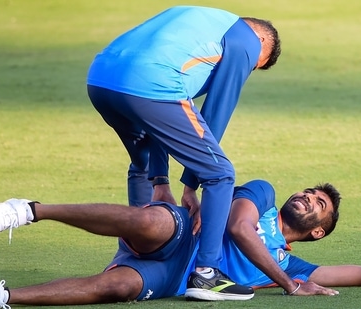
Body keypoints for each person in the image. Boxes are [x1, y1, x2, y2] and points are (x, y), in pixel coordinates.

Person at [0, 180, 361, 308]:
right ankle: (31, 210)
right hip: (179, 233)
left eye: (318, 204)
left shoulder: (291, 259)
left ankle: (3, 296)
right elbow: (236, 228)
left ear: (318, 230)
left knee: (120, 286)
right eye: (310, 191)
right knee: (154, 224)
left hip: (170, 276)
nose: (306, 197)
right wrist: (287, 284)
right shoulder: (261, 195)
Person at [85, 5, 282, 300]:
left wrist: (161, 181)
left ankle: (132, 258)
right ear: (262, 42)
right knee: (220, 174)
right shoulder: (247, 41)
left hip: (101, 79)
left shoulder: (198, 19)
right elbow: (217, 108)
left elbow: (158, 122)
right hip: (149, 84)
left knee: (143, 164)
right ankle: (206, 274)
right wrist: (192, 185)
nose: (248, 69)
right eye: (255, 66)